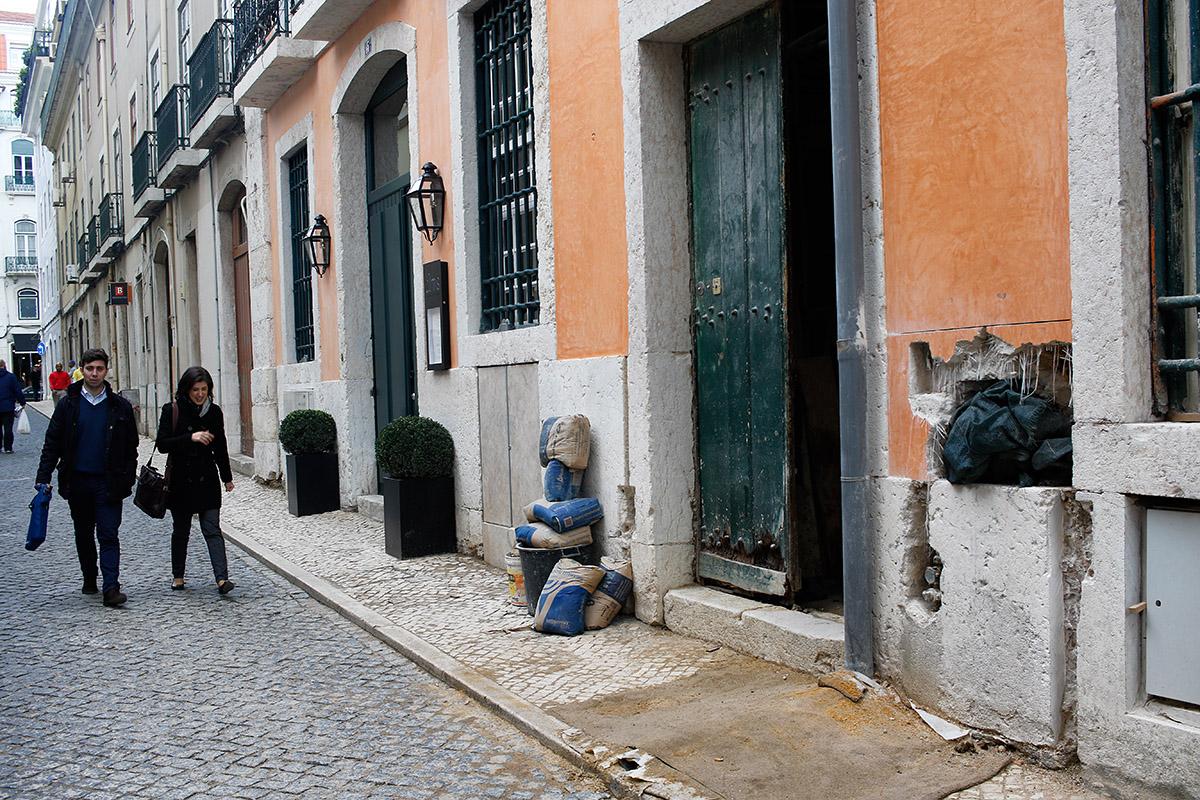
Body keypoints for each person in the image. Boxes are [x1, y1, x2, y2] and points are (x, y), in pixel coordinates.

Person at [36, 348, 139, 607]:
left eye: (99, 369)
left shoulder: (119, 406)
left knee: (108, 533)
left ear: (106, 371)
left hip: (108, 481)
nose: (94, 374)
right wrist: (44, 475)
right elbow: (53, 442)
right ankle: (90, 576)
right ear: (82, 369)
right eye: (90, 368)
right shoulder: (69, 404)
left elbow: (131, 447)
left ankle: (111, 587)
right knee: (83, 533)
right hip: (78, 480)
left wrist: (127, 478)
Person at [155, 366, 236, 595]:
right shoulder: (172, 410)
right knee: (181, 530)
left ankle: (222, 579)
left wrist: (226, 477)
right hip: (181, 480)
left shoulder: (214, 412)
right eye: (195, 390)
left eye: (204, 389)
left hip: (207, 479)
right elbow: (162, 444)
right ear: (186, 390)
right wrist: (191, 437)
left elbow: (220, 446)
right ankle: (178, 576)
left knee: (212, 529)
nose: (200, 394)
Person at [0, 359, 26, 454]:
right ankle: (8, 447)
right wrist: (22, 402)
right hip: (8, 406)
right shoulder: (11, 377)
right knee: (8, 428)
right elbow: (17, 391)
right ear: (4, 365)